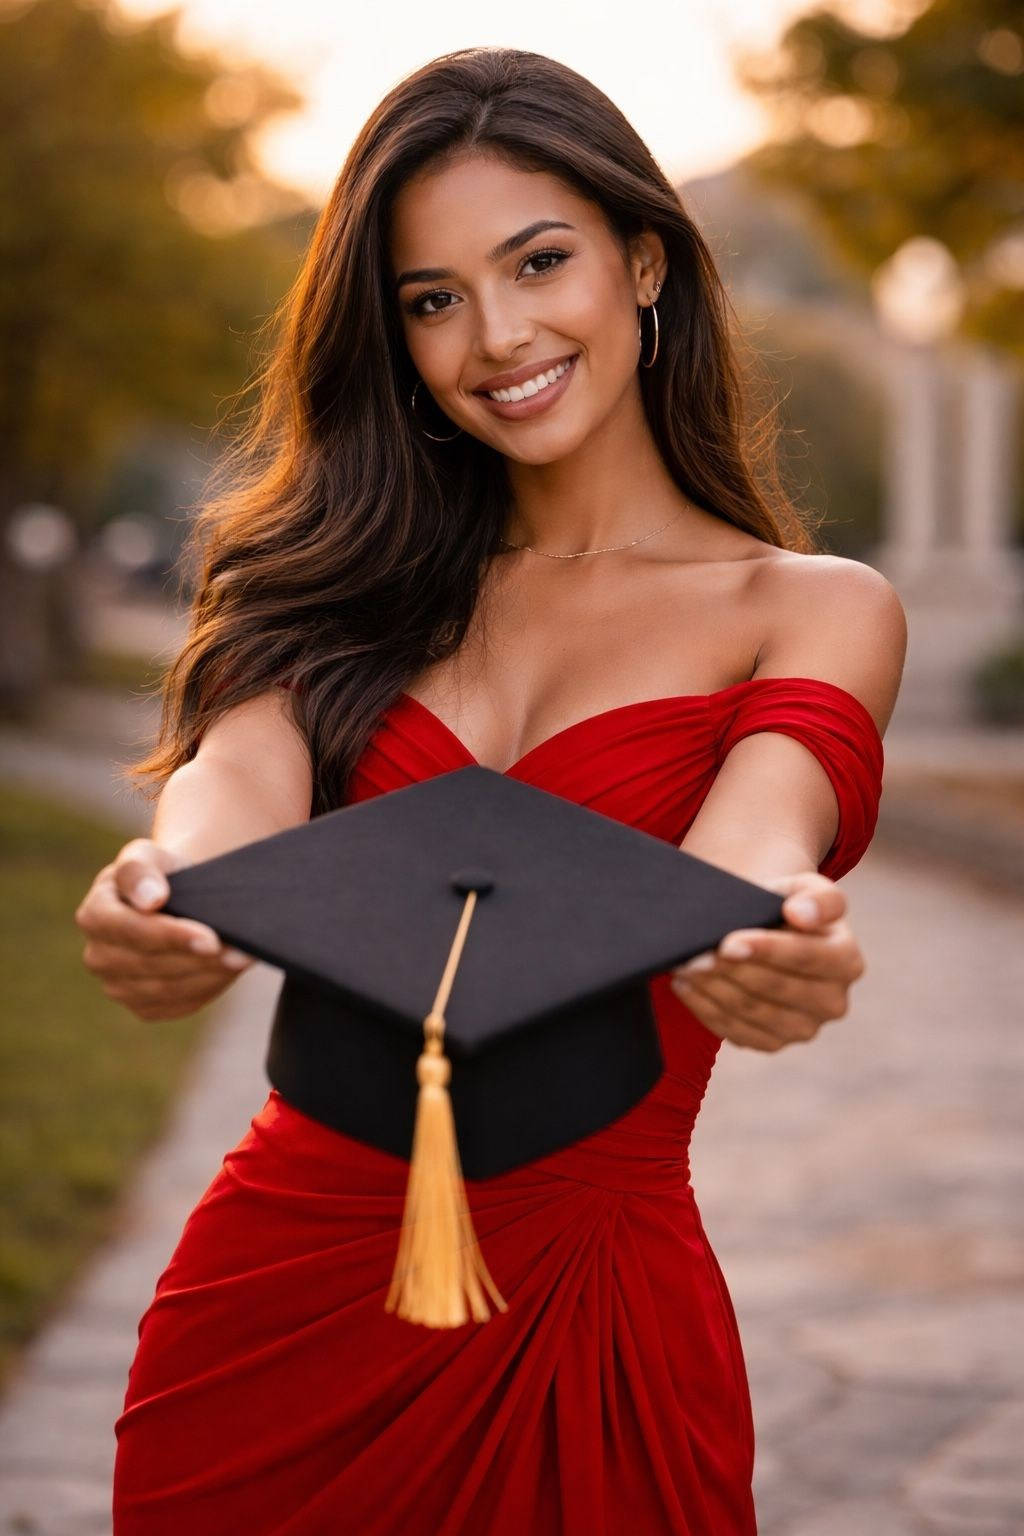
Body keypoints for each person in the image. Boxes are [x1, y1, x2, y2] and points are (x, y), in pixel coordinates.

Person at [76, 45, 905, 1536]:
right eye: (433, 298)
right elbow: (230, 785)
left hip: (589, 1314)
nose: (497, 334)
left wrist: (772, 930)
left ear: (643, 262)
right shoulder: (326, 591)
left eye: (539, 262)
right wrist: (168, 891)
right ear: (391, 337)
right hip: (275, 1317)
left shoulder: (811, 607)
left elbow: (760, 845)